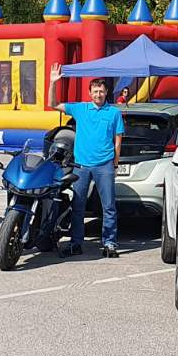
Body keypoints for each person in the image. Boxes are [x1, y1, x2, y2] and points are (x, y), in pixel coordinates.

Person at [48, 66, 125, 258]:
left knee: (108, 206)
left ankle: (109, 243)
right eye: (95, 91)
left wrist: (115, 164)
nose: (98, 94)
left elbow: (118, 139)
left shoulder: (114, 113)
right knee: (78, 205)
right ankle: (76, 243)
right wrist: (53, 82)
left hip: (105, 164)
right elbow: (53, 103)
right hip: (81, 165)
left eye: (101, 91)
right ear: (90, 93)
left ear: (106, 92)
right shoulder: (81, 109)